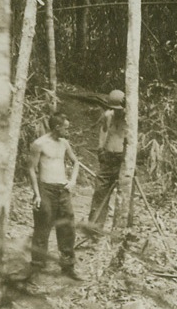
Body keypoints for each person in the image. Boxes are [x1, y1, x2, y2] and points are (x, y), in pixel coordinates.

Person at [27, 113, 83, 280]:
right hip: (46, 190)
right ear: (57, 127)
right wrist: (37, 194)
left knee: (67, 228)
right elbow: (31, 169)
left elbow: (76, 162)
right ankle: (37, 268)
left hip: (63, 190)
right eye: (66, 128)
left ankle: (67, 267)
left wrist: (72, 181)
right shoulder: (39, 144)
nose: (68, 131)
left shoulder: (64, 143)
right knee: (42, 229)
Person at [85, 89, 126, 240]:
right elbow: (103, 132)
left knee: (124, 195)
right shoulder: (108, 116)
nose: (117, 112)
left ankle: (121, 233)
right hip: (109, 157)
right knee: (100, 192)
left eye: (118, 109)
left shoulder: (130, 118)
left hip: (123, 159)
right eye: (113, 109)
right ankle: (94, 230)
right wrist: (100, 150)